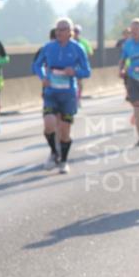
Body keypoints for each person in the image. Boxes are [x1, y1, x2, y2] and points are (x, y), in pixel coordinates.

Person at [32, 17, 91, 174]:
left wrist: (75, 72)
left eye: (63, 29)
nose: (59, 32)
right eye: (57, 29)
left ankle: (64, 161)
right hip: (51, 93)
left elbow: (87, 71)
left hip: (68, 95)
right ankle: (54, 152)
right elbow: (36, 65)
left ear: (70, 32)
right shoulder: (48, 47)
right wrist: (43, 77)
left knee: (65, 131)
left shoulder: (78, 48)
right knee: (49, 124)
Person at [118, 18, 139, 147]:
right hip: (133, 79)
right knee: (137, 109)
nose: (133, 31)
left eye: (136, 29)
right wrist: (121, 69)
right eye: (132, 29)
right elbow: (123, 58)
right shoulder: (128, 43)